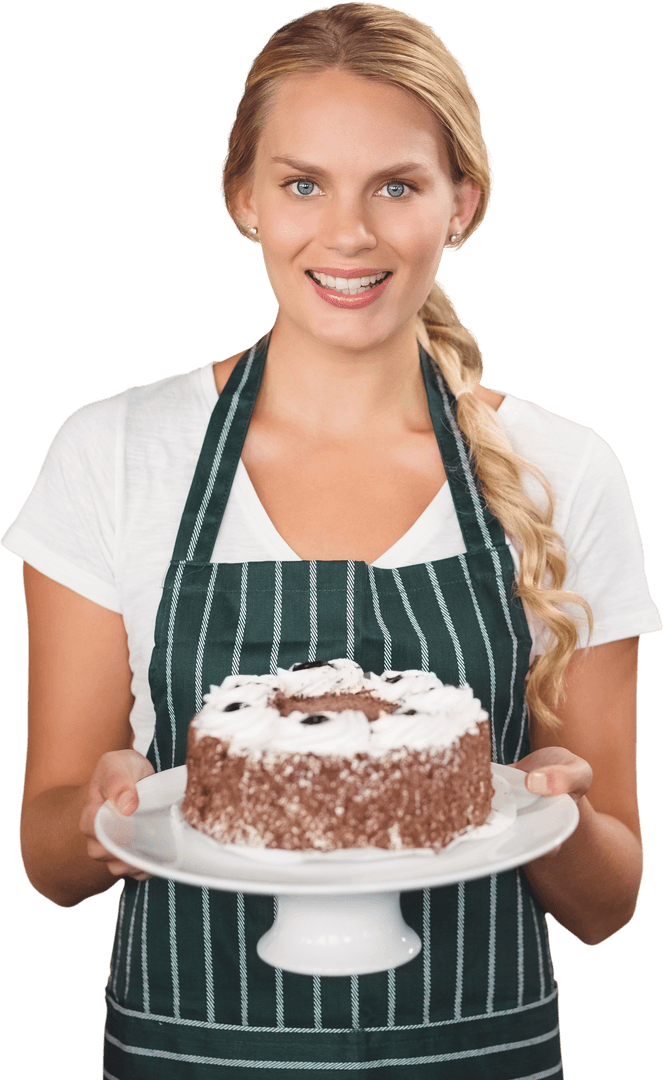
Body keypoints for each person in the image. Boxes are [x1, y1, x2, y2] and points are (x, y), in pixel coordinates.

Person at [3, 2, 660, 1076]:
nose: (347, 233)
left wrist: (555, 810)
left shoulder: (565, 468)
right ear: (244, 201)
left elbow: (610, 903)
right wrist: (103, 813)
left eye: (396, 186)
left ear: (464, 205)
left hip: (479, 1047)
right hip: (192, 1046)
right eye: (303, 183)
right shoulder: (113, 450)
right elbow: (48, 857)